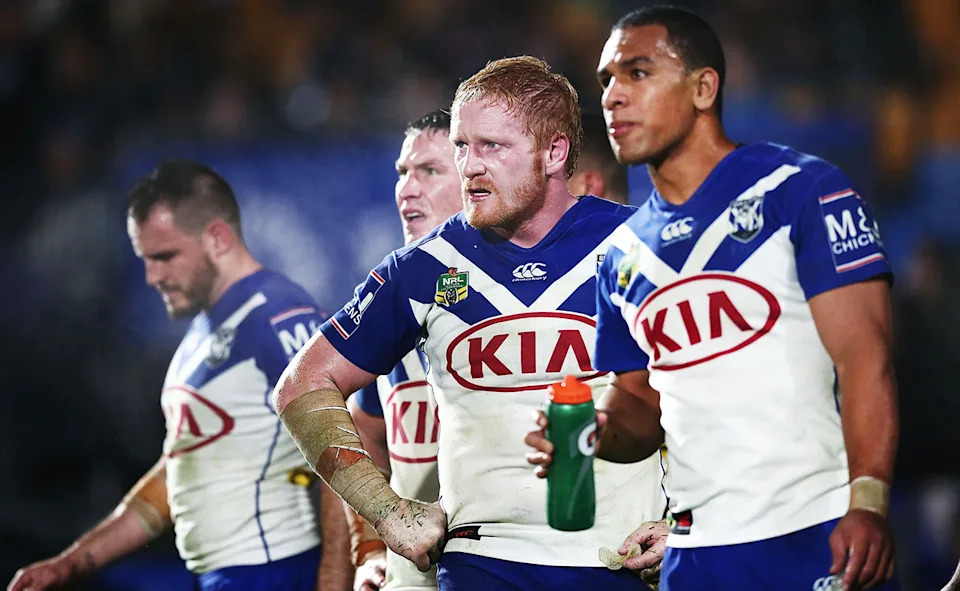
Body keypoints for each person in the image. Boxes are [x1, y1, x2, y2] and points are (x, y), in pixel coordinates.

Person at [524, 6, 900, 590]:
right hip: (697, 555)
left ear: (704, 87)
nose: (614, 96)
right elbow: (638, 405)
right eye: (606, 81)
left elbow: (865, 359)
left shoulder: (800, 191)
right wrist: (590, 431)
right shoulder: (622, 254)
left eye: (638, 72)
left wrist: (868, 503)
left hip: (817, 533)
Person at [273, 56, 667, 591]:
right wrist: (385, 513)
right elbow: (302, 384)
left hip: (619, 559)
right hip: (482, 565)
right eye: (462, 146)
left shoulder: (639, 244)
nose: (470, 167)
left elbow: (722, 385)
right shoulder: (421, 268)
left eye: (492, 147)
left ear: (553, 153)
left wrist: (688, 520)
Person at [8, 160, 352, 591]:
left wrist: (335, 580)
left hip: (274, 575)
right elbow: (178, 473)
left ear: (217, 238)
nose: (152, 276)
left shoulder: (275, 313)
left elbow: (344, 449)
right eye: (145, 260)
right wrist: (72, 562)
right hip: (221, 578)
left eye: (165, 256)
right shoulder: (198, 336)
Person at [346, 109, 462, 591]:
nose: (407, 189)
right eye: (402, 173)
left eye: (429, 171)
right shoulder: (391, 304)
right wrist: (371, 546)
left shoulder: (522, 301)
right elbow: (362, 431)